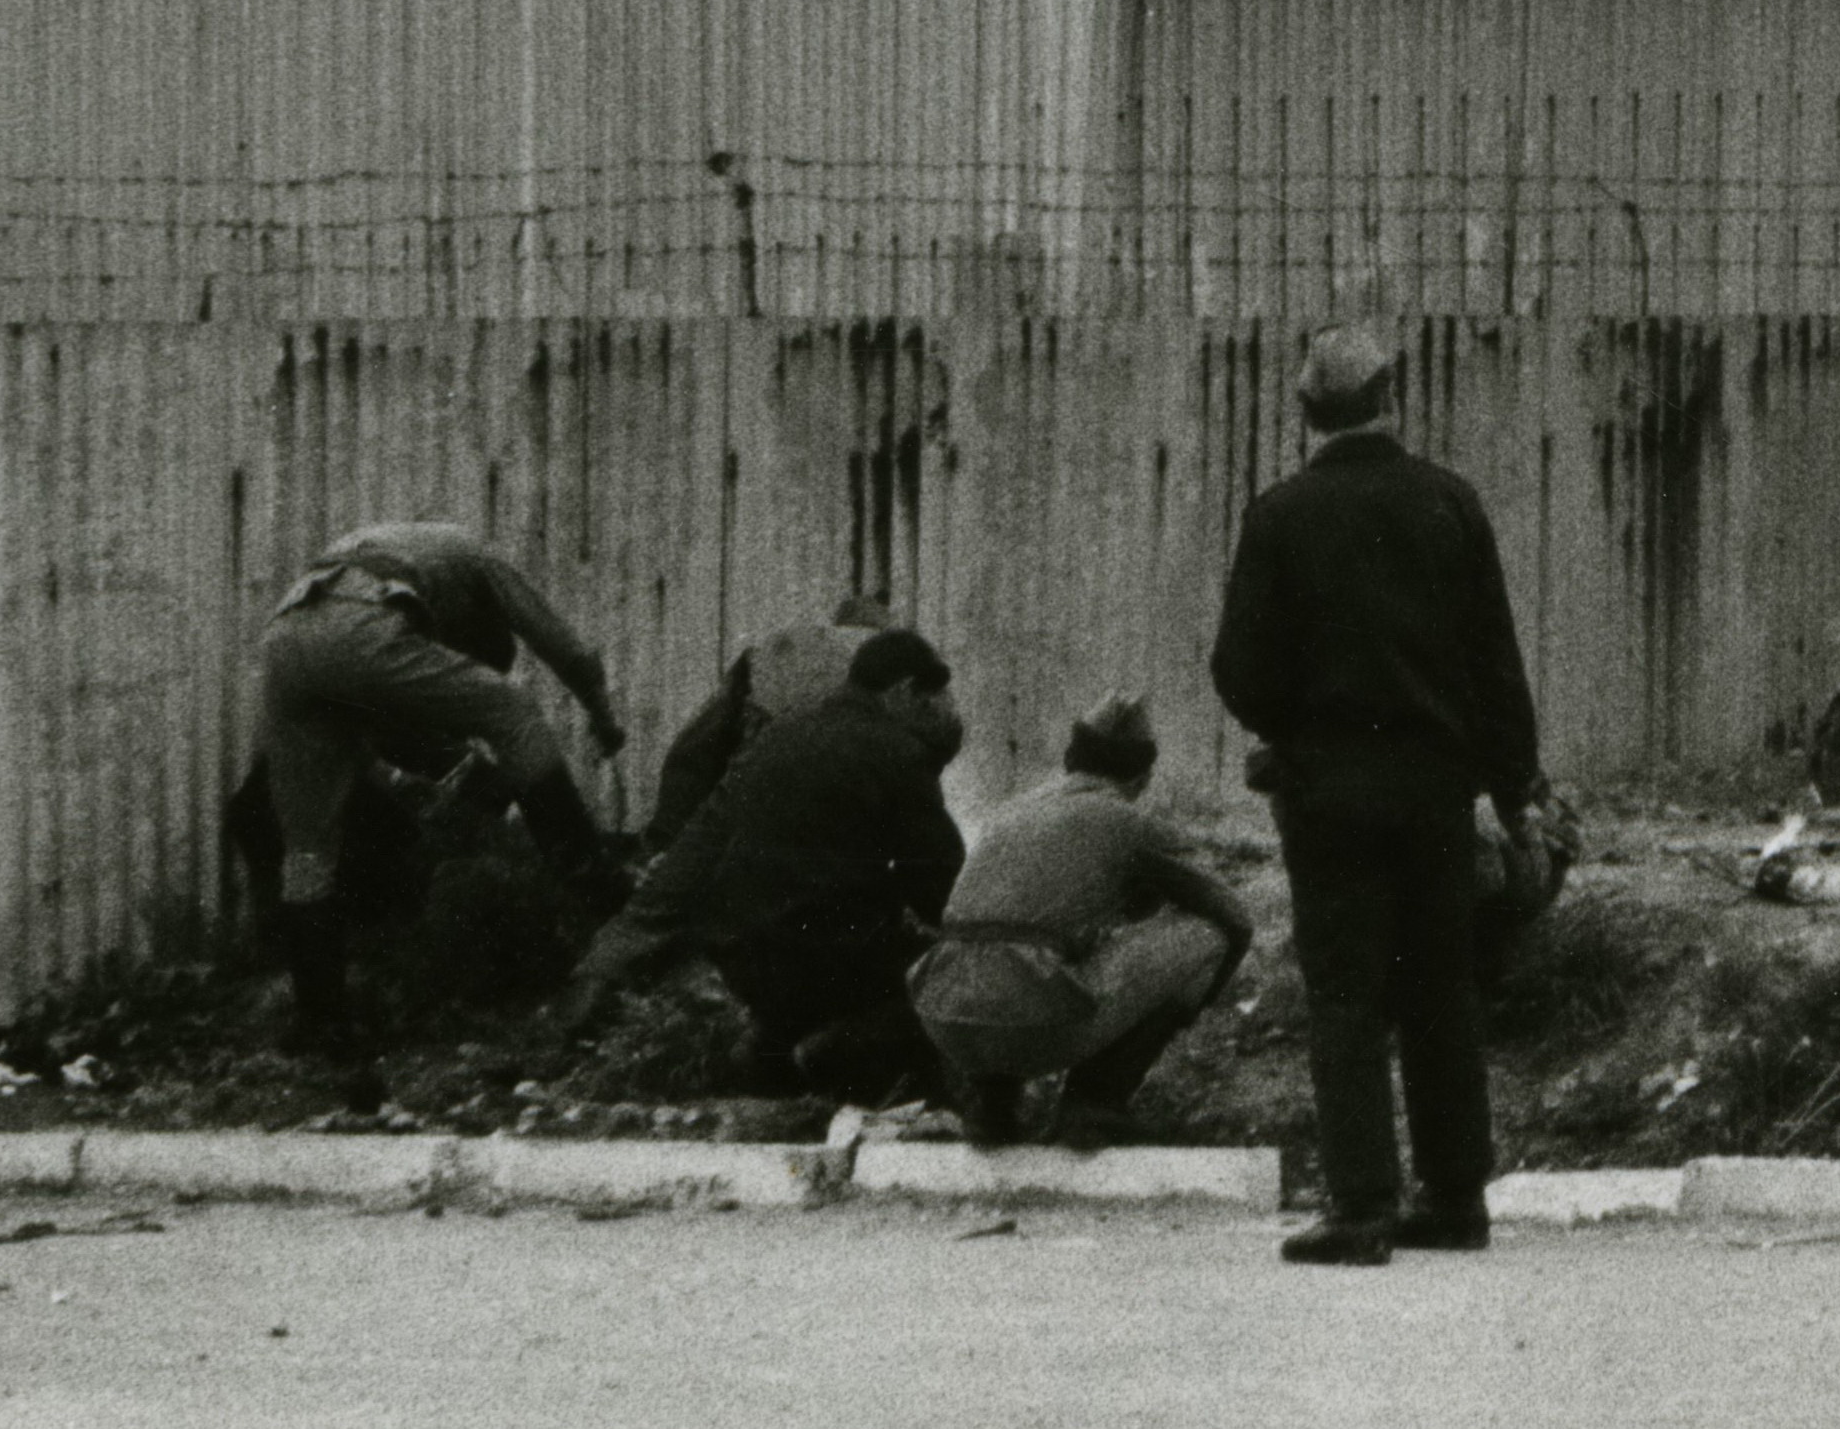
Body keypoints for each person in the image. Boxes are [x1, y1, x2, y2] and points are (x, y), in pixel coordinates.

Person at [1210, 324, 1548, 1265]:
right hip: (1438, 791)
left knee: (1347, 996)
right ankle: (1454, 1199)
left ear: (1307, 412)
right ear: (1395, 399)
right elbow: (1496, 666)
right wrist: (1512, 786)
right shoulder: (1451, 502)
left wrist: (1298, 726)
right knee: (1441, 987)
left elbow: (1238, 671)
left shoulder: (1280, 515)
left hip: (1329, 795)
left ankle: (1360, 1206)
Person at [256, 520, 628, 1070]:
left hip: (285, 641)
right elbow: (564, 648)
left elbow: (392, 735)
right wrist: (602, 717)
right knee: (515, 714)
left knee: (308, 849)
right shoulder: (471, 553)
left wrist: (469, 771)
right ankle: (597, 892)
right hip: (358, 624)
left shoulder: (402, 556)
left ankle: (321, 1020)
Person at [572, 627, 969, 1099]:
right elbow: (945, 892)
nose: (944, 709)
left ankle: (770, 1056)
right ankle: (841, 1054)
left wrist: (605, 962)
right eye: (936, 697)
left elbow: (696, 849)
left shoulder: (781, 733)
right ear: (904, 692)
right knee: (952, 980)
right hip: (827, 963)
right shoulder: (897, 751)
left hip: (742, 962)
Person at [909, 690, 1257, 1146]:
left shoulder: (1011, 809)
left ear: (1070, 759)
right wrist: (1197, 1000)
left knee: (1007, 944)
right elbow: (1235, 918)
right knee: (1206, 935)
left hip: (942, 1020)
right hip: (1029, 1023)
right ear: (1141, 776)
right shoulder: (1125, 820)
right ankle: (1095, 1103)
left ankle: (992, 1109)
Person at [645, 591, 897, 850]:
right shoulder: (895, 675)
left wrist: (665, 835)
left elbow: (697, 748)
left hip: (762, 759)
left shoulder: (781, 649)